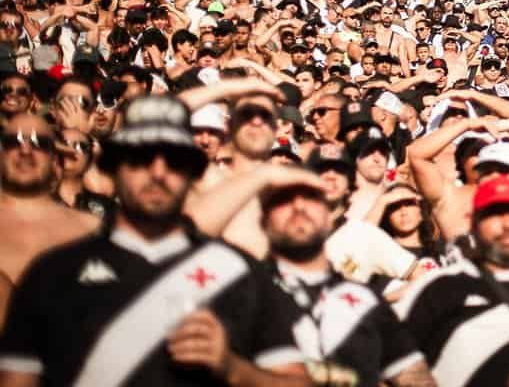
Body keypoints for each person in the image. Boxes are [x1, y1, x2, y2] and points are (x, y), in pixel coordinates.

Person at [0, 95, 309, 386]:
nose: (158, 172)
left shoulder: (238, 272)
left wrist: (233, 368)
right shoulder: (53, 272)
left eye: (174, 159)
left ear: (192, 172)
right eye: (141, 157)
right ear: (113, 168)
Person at [261, 177, 435, 386]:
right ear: (263, 220)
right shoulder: (251, 292)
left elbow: (414, 375)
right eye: (283, 201)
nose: (299, 208)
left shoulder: (365, 302)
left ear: (329, 218)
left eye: (311, 199)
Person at [394, 176, 509, 387]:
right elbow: (390, 357)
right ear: (473, 223)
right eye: (495, 214)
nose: (508, 224)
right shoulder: (438, 287)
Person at [0, 113, 101, 289]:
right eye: (13, 142)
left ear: (55, 162)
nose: (25, 151)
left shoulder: (92, 229)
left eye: (39, 143)